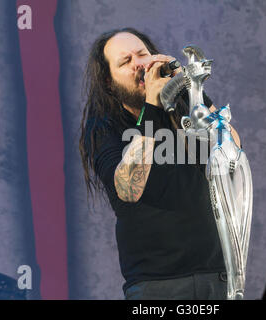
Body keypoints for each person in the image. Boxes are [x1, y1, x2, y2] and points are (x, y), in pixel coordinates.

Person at [79, 27, 241, 300]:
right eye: (126, 61)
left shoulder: (184, 107)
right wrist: (152, 104)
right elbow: (129, 188)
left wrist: (192, 90)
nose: (139, 63)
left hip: (217, 276)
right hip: (158, 287)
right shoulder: (103, 127)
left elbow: (232, 149)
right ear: (109, 82)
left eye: (142, 54)